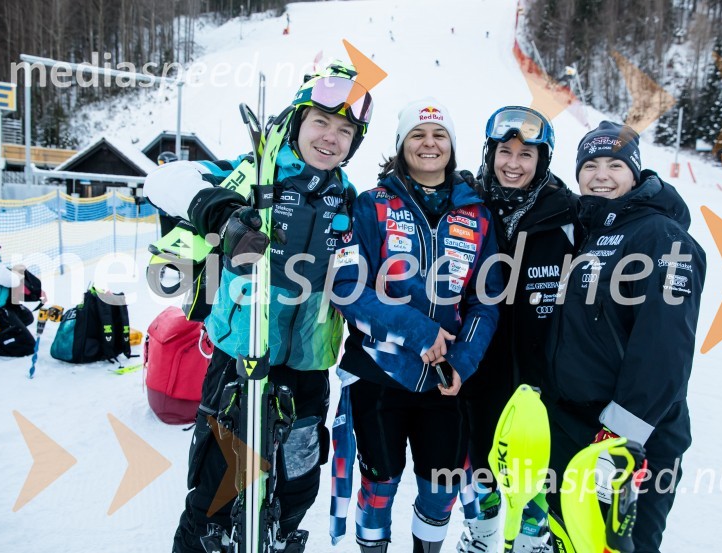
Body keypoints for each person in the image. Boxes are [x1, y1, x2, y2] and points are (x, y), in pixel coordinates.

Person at [144, 61, 374, 553]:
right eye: (321, 123)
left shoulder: (351, 199)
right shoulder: (254, 174)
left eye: (344, 131)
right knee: (217, 493)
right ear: (296, 122)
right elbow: (162, 183)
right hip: (241, 364)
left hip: (309, 371)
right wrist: (221, 213)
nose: (331, 138)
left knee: (295, 491)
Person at [330, 98, 503, 553]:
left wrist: (463, 359)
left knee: (441, 491)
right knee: (380, 484)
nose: (429, 143)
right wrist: (418, 330)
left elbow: (486, 300)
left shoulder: (478, 216)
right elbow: (348, 285)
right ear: (402, 146)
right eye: (418, 135)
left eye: (439, 135)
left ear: (452, 146)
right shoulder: (372, 205)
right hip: (379, 375)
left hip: (445, 382)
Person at [545, 121, 706, 553]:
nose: (601, 175)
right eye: (590, 164)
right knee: (569, 538)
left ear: (635, 172)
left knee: (619, 545)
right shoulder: (590, 231)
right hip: (575, 426)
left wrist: (621, 435)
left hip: (632, 437)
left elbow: (665, 350)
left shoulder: (662, 236)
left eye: (615, 164)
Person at [457, 106, 581, 553]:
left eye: (526, 154)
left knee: (537, 467)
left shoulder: (567, 213)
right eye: (504, 152)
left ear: (542, 160)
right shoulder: (467, 203)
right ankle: (483, 532)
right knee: (480, 460)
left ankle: (533, 538)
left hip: (540, 371)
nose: (513, 163)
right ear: (489, 152)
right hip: (478, 364)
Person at [0, 242, 43, 357]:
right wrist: (16, 276)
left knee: (25, 317)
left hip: (1, 304)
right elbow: (8, 279)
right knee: (26, 347)